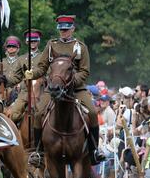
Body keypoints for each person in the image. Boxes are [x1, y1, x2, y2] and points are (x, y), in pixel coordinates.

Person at [24, 15, 105, 165]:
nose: (63, 32)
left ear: (73, 29)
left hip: (76, 89)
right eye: (61, 29)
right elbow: (42, 67)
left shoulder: (80, 46)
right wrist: (32, 74)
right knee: (39, 113)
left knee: (92, 113)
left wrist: (72, 80)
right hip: (53, 88)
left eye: (66, 29)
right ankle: (38, 152)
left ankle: (94, 150)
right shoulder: (51, 45)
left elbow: (85, 71)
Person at [0, 28, 43, 125]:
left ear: (39, 41)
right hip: (24, 92)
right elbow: (17, 77)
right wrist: (5, 80)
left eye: (35, 40)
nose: (32, 42)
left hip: (40, 91)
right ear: (27, 41)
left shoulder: (44, 56)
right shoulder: (21, 59)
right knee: (13, 115)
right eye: (30, 40)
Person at [0, 36, 21, 104]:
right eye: (9, 46)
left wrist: (20, 85)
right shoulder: (0, 62)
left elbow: (26, 79)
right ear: (6, 48)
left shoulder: (22, 61)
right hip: (1, 93)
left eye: (14, 46)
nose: (11, 48)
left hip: (17, 94)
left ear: (18, 48)